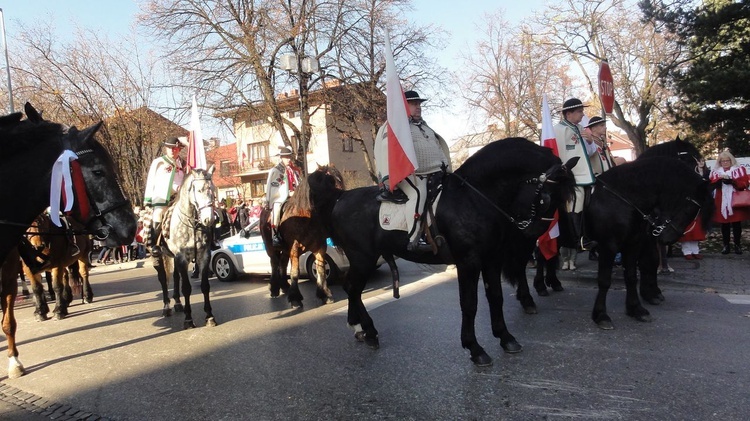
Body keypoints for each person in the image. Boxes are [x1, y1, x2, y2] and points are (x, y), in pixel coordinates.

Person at [373, 90, 452, 252]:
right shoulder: (396, 127)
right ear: (404, 106)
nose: (418, 107)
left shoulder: (425, 127)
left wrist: (447, 167)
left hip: (436, 173)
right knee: (418, 194)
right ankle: (415, 236)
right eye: (414, 104)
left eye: (419, 104)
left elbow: (438, 147)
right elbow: (387, 149)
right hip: (410, 174)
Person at [553, 98, 599, 270]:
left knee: (584, 211)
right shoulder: (558, 130)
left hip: (585, 178)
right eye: (579, 111)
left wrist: (589, 141)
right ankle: (567, 255)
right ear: (569, 113)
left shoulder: (581, 129)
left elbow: (591, 153)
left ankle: (581, 243)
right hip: (571, 179)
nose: (582, 114)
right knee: (571, 214)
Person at [143, 136, 187, 285]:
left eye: (176, 148)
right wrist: (148, 199)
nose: (174, 151)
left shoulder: (183, 163)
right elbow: (151, 180)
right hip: (162, 198)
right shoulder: (159, 162)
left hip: (178, 199)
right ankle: (156, 245)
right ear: (166, 148)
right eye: (171, 148)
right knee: (158, 214)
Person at [709, 150, 750, 254]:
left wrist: (732, 181)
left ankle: (737, 245)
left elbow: (744, 184)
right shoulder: (715, 171)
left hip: (735, 201)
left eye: (727, 160)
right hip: (721, 201)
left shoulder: (739, 170)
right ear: (720, 162)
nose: (725, 162)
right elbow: (711, 184)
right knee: (724, 224)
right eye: (723, 161)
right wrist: (718, 182)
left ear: (731, 160)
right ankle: (726, 246)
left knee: (737, 224)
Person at [265, 146, 301, 247]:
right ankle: (275, 234)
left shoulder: (295, 170)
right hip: (280, 197)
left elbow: (298, 183)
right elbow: (274, 187)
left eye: (289, 157)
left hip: (295, 195)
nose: (288, 159)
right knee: (276, 209)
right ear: (281, 158)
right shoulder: (276, 171)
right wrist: (287, 193)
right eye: (286, 157)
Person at [680, 158, 710, 260]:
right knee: (687, 228)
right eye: (698, 161)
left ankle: (695, 250)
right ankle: (686, 251)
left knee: (697, 228)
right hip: (687, 203)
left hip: (700, 203)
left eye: (702, 161)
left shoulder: (706, 172)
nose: (700, 163)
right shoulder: (687, 173)